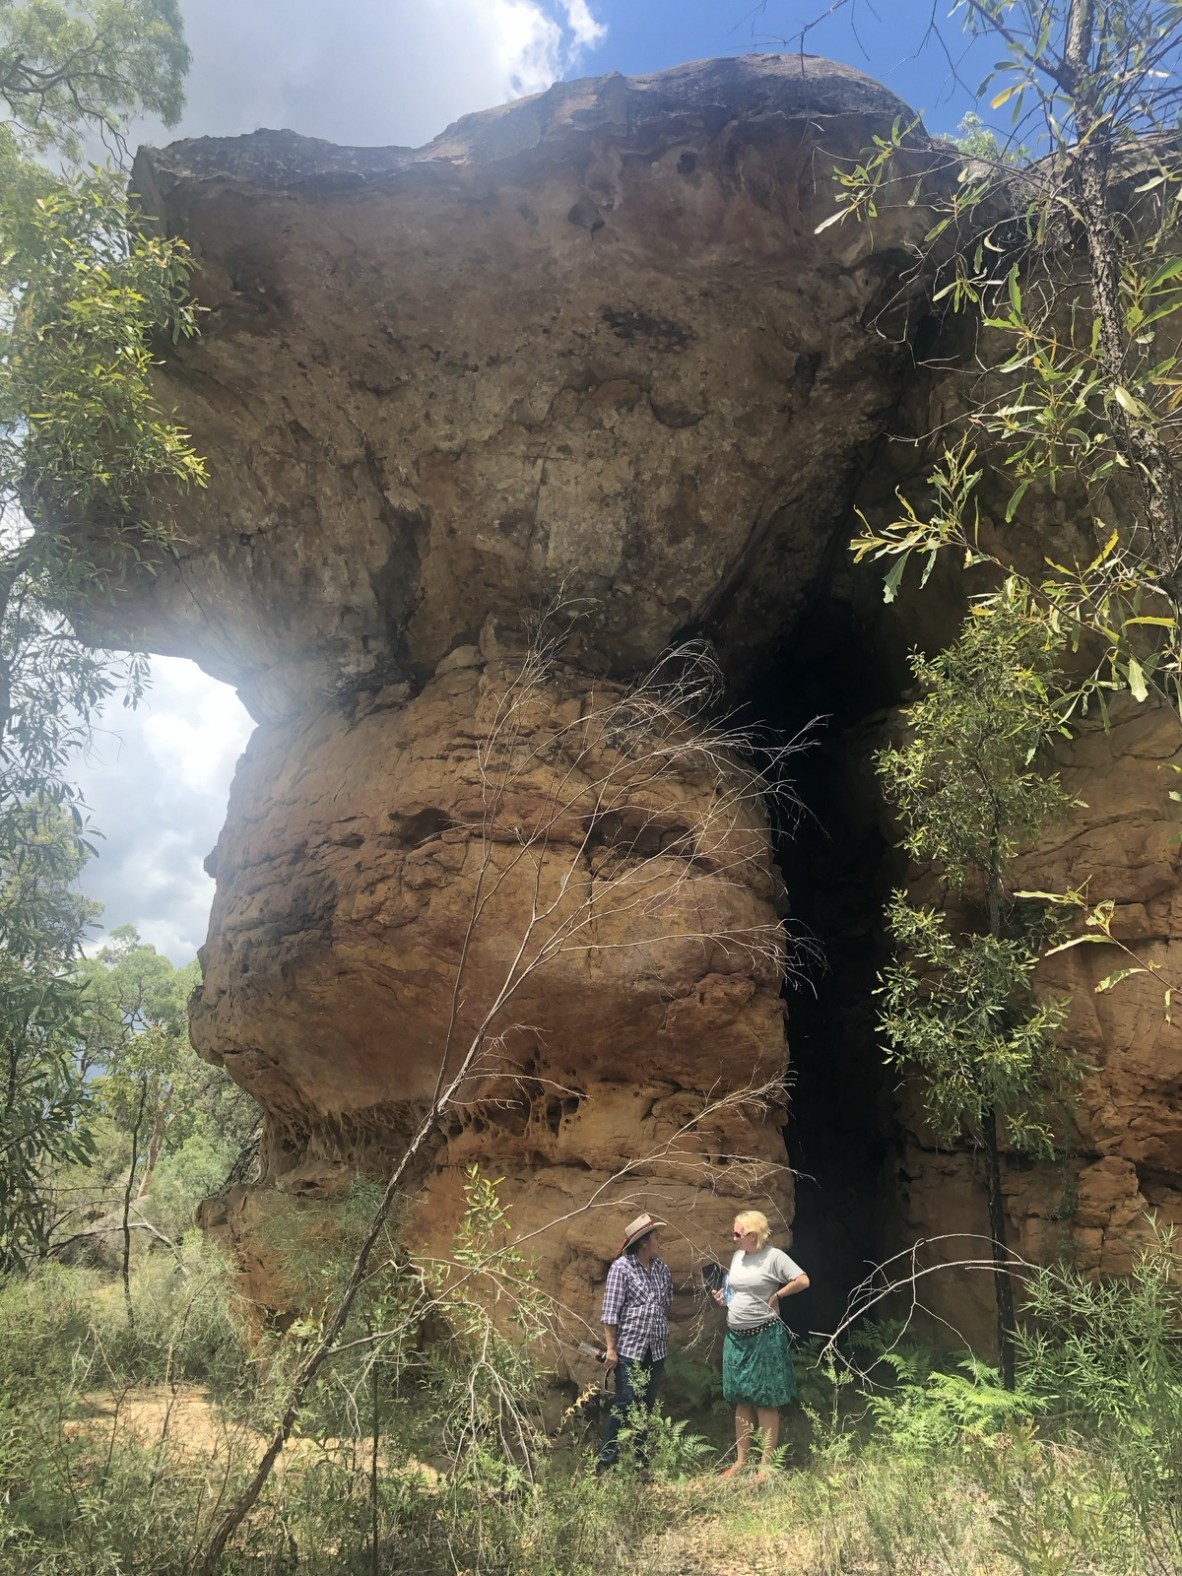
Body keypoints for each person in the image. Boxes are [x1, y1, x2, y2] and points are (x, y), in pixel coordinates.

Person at [713, 1209, 809, 1478]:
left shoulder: (773, 1257)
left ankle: (766, 1464)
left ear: (753, 1235)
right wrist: (725, 1297)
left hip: (764, 1335)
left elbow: (803, 1280)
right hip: (736, 1336)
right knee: (742, 1398)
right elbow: (733, 1291)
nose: (733, 1239)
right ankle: (741, 1460)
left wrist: (778, 1294)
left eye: (738, 1234)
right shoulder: (737, 1257)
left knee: (765, 1400)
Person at [597, 1211, 673, 1473]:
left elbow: (666, 1304)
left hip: (656, 1350)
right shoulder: (622, 1268)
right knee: (626, 1404)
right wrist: (611, 1349)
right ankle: (605, 1465)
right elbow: (610, 1312)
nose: (659, 1240)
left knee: (646, 1406)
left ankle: (641, 1465)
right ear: (643, 1242)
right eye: (655, 1236)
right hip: (630, 1350)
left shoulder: (662, 1268)